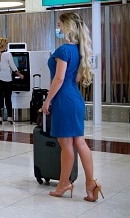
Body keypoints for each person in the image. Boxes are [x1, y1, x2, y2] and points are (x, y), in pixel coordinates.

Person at [42, 12, 103, 202]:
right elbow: (74, 78)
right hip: (75, 99)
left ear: (67, 27)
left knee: (66, 145)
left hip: (63, 100)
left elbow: (59, 79)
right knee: (80, 143)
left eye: (59, 25)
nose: (57, 28)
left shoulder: (63, 51)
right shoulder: (79, 50)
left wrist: (47, 100)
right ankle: (90, 184)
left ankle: (64, 184)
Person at [0, 37, 23, 124]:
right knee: (7, 98)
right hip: (6, 79)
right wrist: (19, 74)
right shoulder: (8, 55)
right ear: (5, 45)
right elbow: (13, 67)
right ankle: (9, 117)